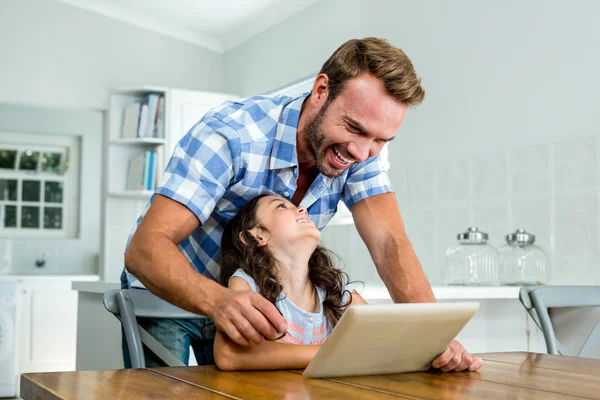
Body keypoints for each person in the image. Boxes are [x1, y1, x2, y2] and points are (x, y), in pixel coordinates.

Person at [123, 37, 480, 372]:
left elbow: (390, 244)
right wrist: (218, 301)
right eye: (353, 128)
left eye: (380, 140)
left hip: (251, 303)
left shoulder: (361, 152)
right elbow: (145, 248)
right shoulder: (231, 135)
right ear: (321, 91)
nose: (361, 152)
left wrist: (434, 339)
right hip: (170, 291)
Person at [214, 193, 484, 372]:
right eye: (282, 206)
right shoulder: (247, 286)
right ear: (257, 235)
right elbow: (229, 355)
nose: (302, 209)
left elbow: (393, 339)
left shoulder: (337, 295)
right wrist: (332, 354)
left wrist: (439, 349)